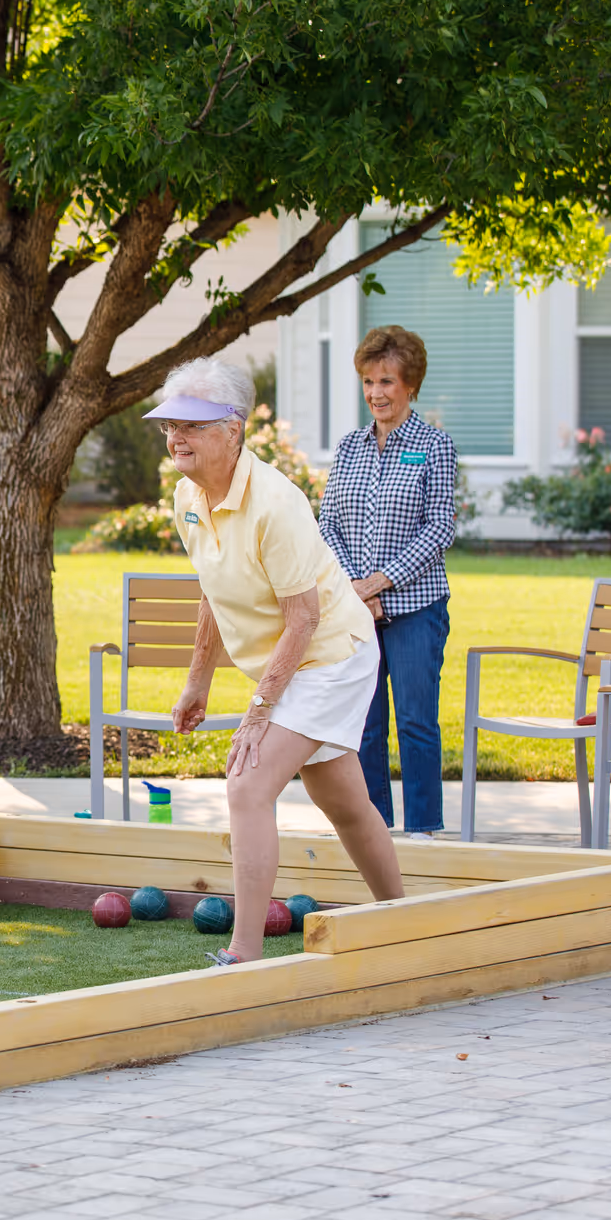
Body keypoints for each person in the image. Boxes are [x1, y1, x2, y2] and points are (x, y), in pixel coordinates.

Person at [156, 357, 405, 965]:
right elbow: (213, 590)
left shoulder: (275, 503)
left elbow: (305, 619)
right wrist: (198, 680)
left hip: (331, 656)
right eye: (168, 425)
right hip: (293, 662)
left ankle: (244, 954)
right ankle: (404, 919)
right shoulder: (189, 497)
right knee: (344, 802)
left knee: (246, 783)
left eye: (192, 424)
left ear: (233, 429)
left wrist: (258, 713)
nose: (176, 437)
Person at [319, 325, 458, 841]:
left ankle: (424, 832)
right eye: (369, 381)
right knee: (366, 725)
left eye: (387, 381)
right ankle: (374, 829)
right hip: (355, 609)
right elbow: (327, 523)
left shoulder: (434, 445)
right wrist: (356, 590)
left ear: (410, 385)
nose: (377, 392)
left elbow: (440, 526)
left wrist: (379, 582)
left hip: (416, 608)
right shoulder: (350, 448)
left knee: (417, 723)